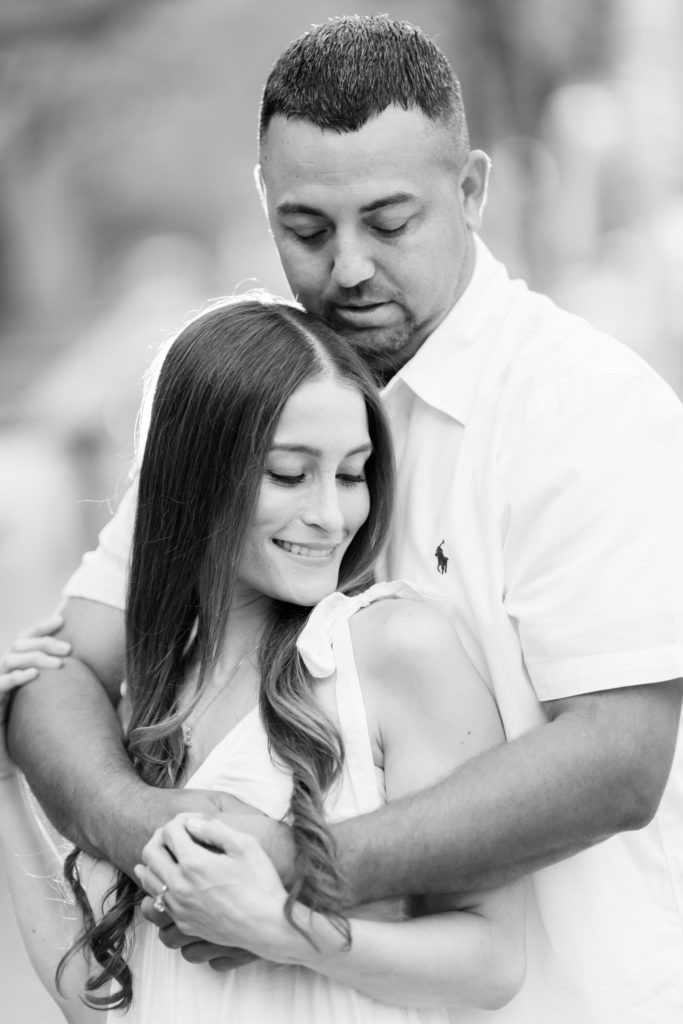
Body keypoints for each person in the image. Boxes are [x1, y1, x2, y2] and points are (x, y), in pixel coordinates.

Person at [4, 14, 683, 1022]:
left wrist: (289, 866)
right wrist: (146, 825)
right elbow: (68, 665)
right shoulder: (227, 394)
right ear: (262, 202)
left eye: (390, 221)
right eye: (307, 229)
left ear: (471, 192)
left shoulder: (588, 414)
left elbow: (618, 761)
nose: (348, 269)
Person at [0, 294, 527, 1022]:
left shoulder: (393, 649)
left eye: (350, 474)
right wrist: (6, 780)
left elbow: (491, 962)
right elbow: (107, 1005)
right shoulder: (156, 690)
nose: (331, 514)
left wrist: (285, 934)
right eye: (289, 474)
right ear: (197, 476)